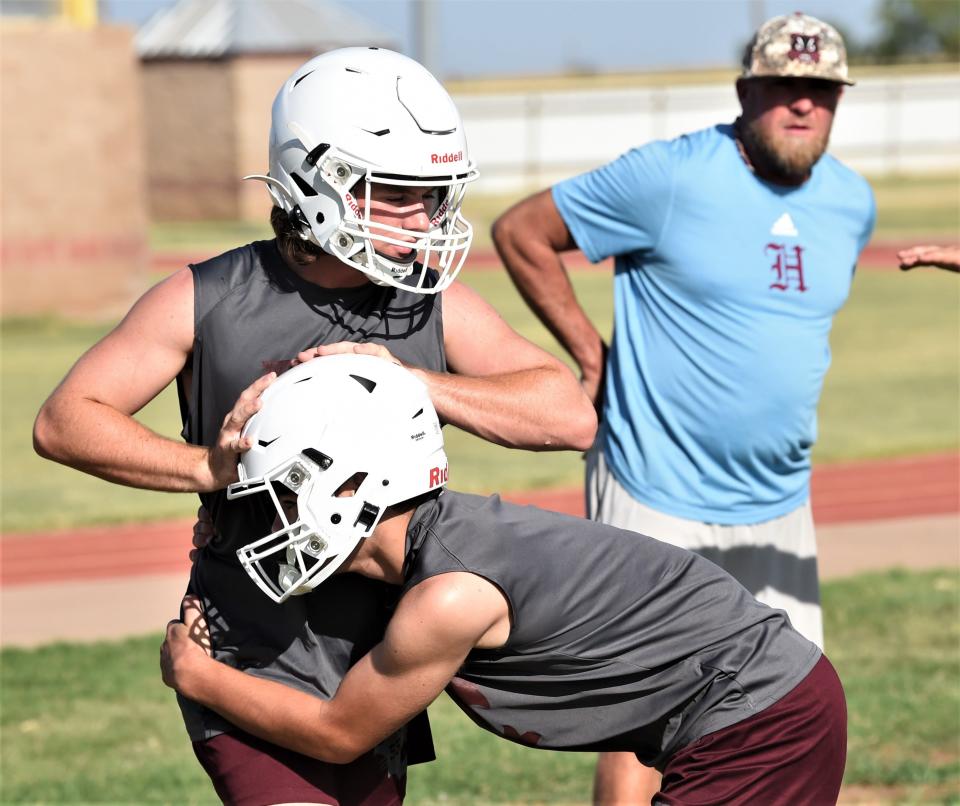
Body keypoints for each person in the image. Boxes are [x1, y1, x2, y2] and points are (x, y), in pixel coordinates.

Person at [33, 47, 595, 805]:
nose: (424, 220)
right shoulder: (205, 296)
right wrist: (207, 468)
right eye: (397, 193)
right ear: (316, 179)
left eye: (433, 197)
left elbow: (567, 413)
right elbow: (66, 419)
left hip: (376, 668)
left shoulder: (431, 303)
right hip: (247, 652)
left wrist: (417, 380)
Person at [161, 353, 848, 806]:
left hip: (760, 717)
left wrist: (198, 676)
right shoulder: (437, 544)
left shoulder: (449, 594)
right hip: (758, 704)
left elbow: (340, 733)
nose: (267, 520)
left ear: (349, 487)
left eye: (280, 494)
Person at [491, 12, 874, 802]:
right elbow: (523, 230)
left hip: (777, 501)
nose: (802, 105)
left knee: (787, 713)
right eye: (783, 87)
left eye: (821, 91)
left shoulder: (851, 202)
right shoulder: (670, 177)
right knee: (647, 715)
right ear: (746, 92)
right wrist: (589, 352)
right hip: (654, 487)